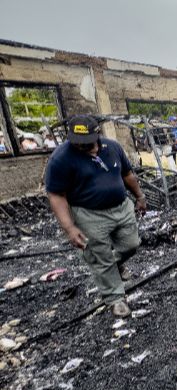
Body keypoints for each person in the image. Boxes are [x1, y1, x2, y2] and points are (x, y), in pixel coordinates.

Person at [45, 115, 146, 317]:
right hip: (88, 213)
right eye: (77, 142)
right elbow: (56, 195)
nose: (81, 146)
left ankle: (114, 266)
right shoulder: (61, 158)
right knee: (100, 255)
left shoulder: (112, 147)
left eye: (86, 142)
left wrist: (140, 196)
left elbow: (127, 175)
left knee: (131, 244)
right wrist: (70, 228)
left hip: (121, 207)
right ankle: (115, 298)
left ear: (97, 134)